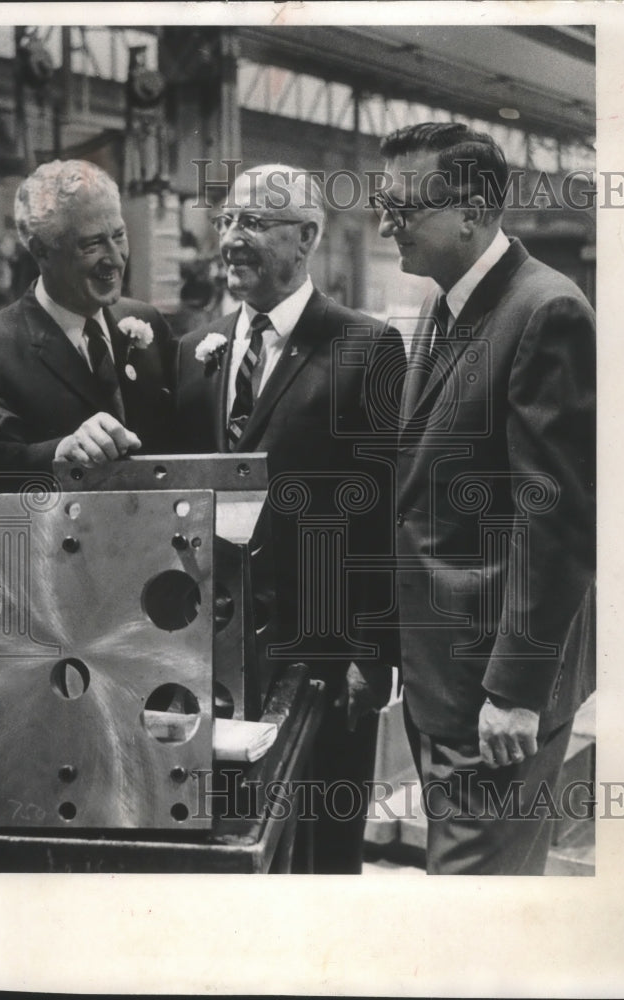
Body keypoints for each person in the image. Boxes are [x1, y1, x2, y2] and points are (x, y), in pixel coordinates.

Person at [374, 122, 596, 875]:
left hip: (495, 698)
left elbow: (558, 519)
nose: (385, 223)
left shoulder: (546, 313)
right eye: (383, 204)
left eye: (402, 208)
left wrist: (516, 690)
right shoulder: (446, 307)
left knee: (475, 913)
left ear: (471, 210)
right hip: (446, 682)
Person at [174, 163, 406, 873]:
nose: (231, 239)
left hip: (322, 655)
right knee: (230, 839)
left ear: (306, 236)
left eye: (252, 223)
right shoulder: (195, 353)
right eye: (226, 222)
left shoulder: (366, 348)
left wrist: (375, 651)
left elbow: (384, 510)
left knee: (323, 850)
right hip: (210, 653)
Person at [0, 159, 176, 489]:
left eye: (118, 236)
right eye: (92, 244)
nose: (115, 258)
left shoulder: (148, 322)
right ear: (41, 251)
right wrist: (62, 451)